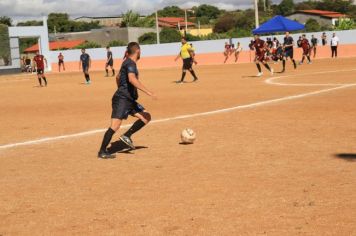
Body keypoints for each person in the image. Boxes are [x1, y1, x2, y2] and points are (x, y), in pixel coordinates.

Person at [97, 42, 156, 159]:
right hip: (122, 100)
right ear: (138, 51)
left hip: (128, 99)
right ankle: (102, 151)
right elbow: (132, 79)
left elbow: (118, 77)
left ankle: (127, 135)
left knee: (146, 116)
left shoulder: (127, 62)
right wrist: (148, 92)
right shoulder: (130, 63)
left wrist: (121, 88)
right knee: (115, 126)